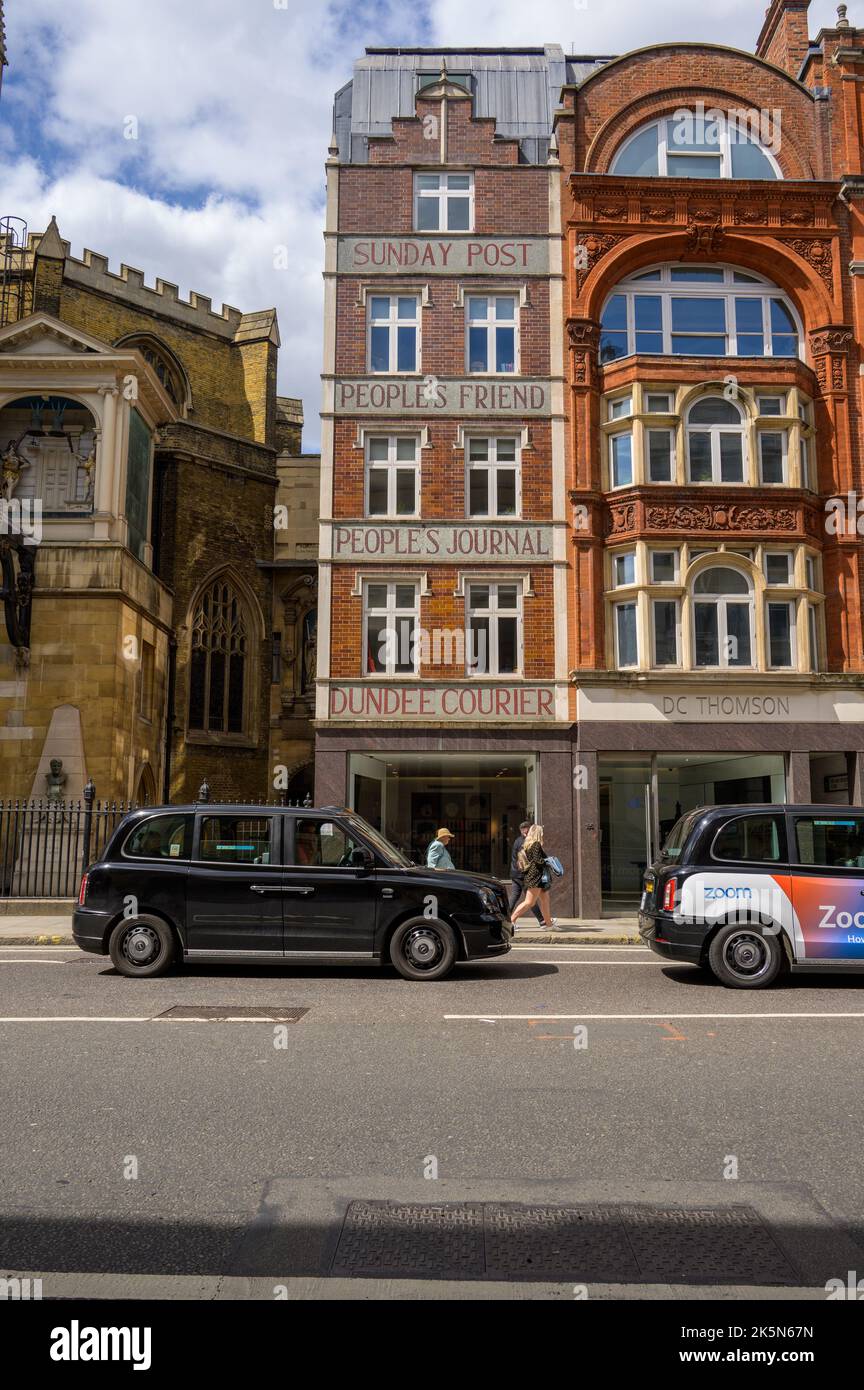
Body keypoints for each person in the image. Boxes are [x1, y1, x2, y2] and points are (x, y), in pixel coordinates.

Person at [510, 824, 556, 929]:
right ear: (538, 833)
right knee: (529, 902)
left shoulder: (528, 844)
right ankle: (511, 921)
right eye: (541, 832)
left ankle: (548, 924)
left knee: (545, 900)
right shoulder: (535, 844)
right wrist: (548, 862)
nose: (543, 834)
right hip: (536, 876)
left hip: (537, 876)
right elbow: (537, 861)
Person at [509, 820, 544, 923]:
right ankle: (542, 921)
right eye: (524, 830)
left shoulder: (517, 840)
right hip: (523, 874)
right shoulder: (526, 842)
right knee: (530, 900)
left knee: (517, 897)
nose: (525, 832)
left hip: (515, 873)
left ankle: (542, 920)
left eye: (526, 830)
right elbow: (527, 860)